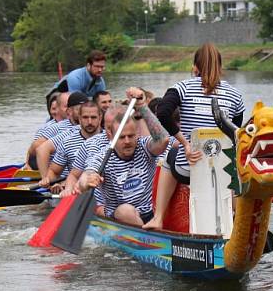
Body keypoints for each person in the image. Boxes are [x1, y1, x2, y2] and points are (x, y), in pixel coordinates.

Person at [143, 43, 245, 231]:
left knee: (168, 158)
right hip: (223, 170)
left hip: (189, 168)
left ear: (195, 67)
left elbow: (163, 113)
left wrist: (185, 144)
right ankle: (237, 219)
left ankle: (157, 218)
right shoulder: (235, 95)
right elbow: (236, 132)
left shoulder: (181, 87)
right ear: (220, 67)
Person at [78, 88, 169, 227]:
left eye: (131, 136)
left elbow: (163, 140)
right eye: (121, 137)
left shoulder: (144, 147)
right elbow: (85, 177)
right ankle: (147, 238)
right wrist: (87, 182)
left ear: (137, 134)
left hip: (150, 213)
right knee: (125, 211)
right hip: (120, 217)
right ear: (111, 137)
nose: (127, 141)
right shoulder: (102, 157)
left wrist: (142, 107)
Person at [36, 101, 102, 191]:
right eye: (85, 117)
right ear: (79, 118)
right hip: (75, 191)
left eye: (93, 117)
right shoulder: (67, 142)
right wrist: (53, 184)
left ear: (100, 118)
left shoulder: (110, 140)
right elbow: (54, 172)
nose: (89, 122)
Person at [26, 91, 88, 168]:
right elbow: (35, 148)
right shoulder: (53, 128)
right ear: (69, 111)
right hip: (59, 174)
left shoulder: (93, 127)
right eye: (79, 109)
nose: (84, 113)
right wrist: (28, 164)